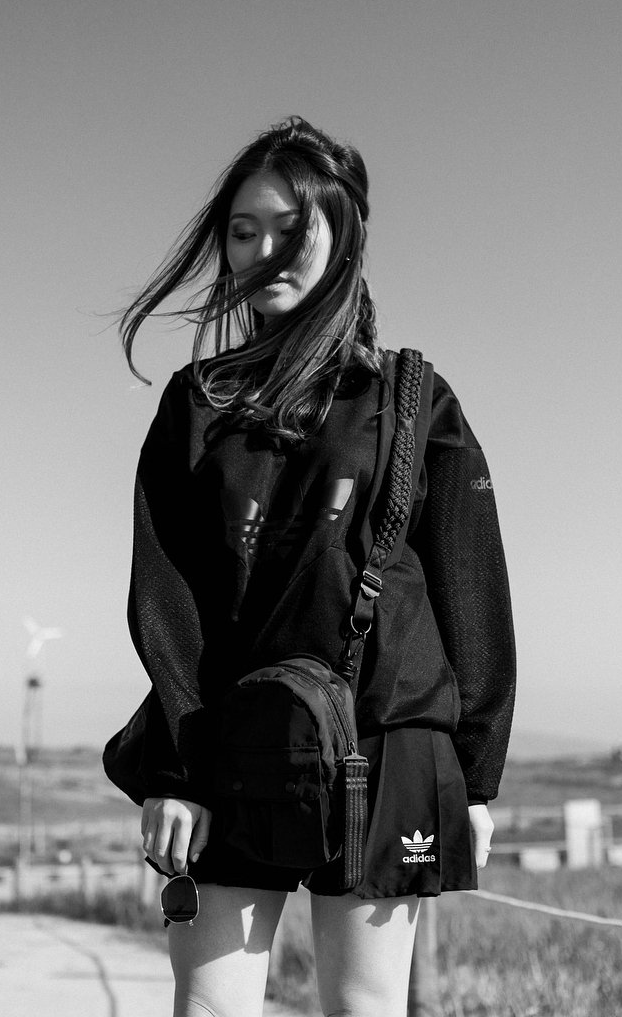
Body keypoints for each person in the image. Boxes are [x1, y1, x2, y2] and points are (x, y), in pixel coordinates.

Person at [112, 116, 516, 1017]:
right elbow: (167, 596)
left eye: (291, 229)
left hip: (390, 740)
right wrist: (176, 772)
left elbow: (472, 593)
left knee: (363, 1010)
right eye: (243, 232)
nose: (265, 253)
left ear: (345, 233)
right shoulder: (198, 404)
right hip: (233, 740)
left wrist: (475, 778)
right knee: (210, 1008)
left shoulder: (413, 400)